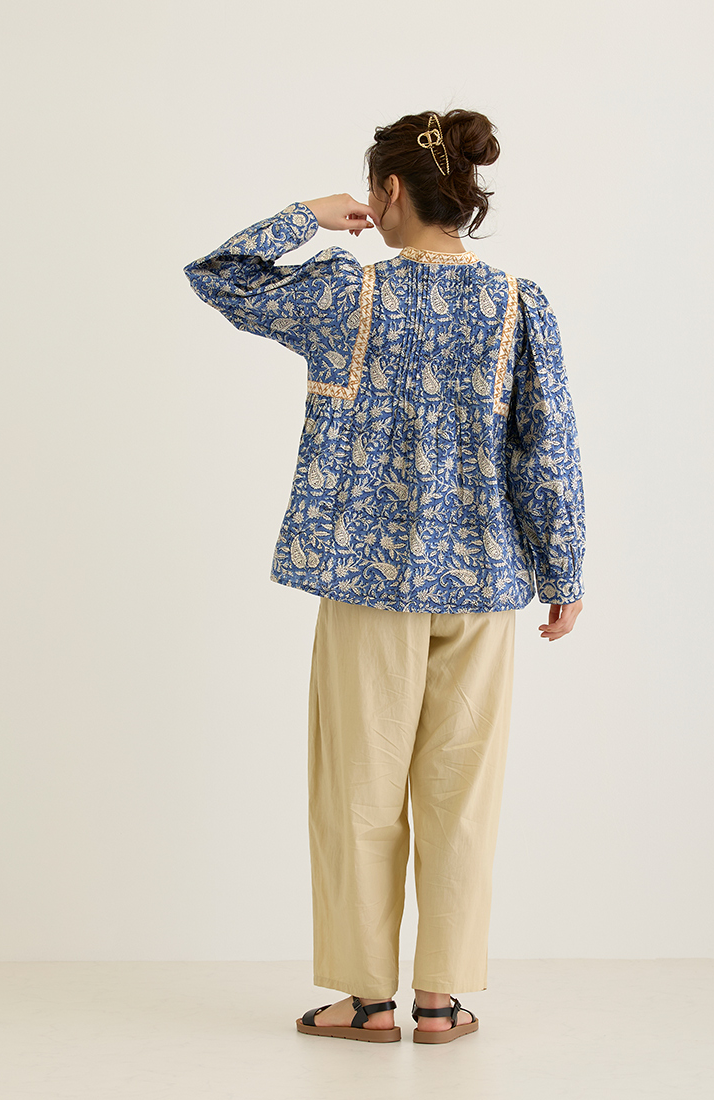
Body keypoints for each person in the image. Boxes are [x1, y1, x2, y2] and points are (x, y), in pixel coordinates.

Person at [183, 108, 586, 1044]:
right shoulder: (519, 305)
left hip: (365, 584)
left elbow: (218, 276)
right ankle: (440, 1001)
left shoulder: (345, 295)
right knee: (461, 797)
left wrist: (306, 215)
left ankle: (366, 1002)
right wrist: (563, 569)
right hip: (483, 586)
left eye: (371, 189)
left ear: (391, 190)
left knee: (358, 794)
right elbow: (548, 447)